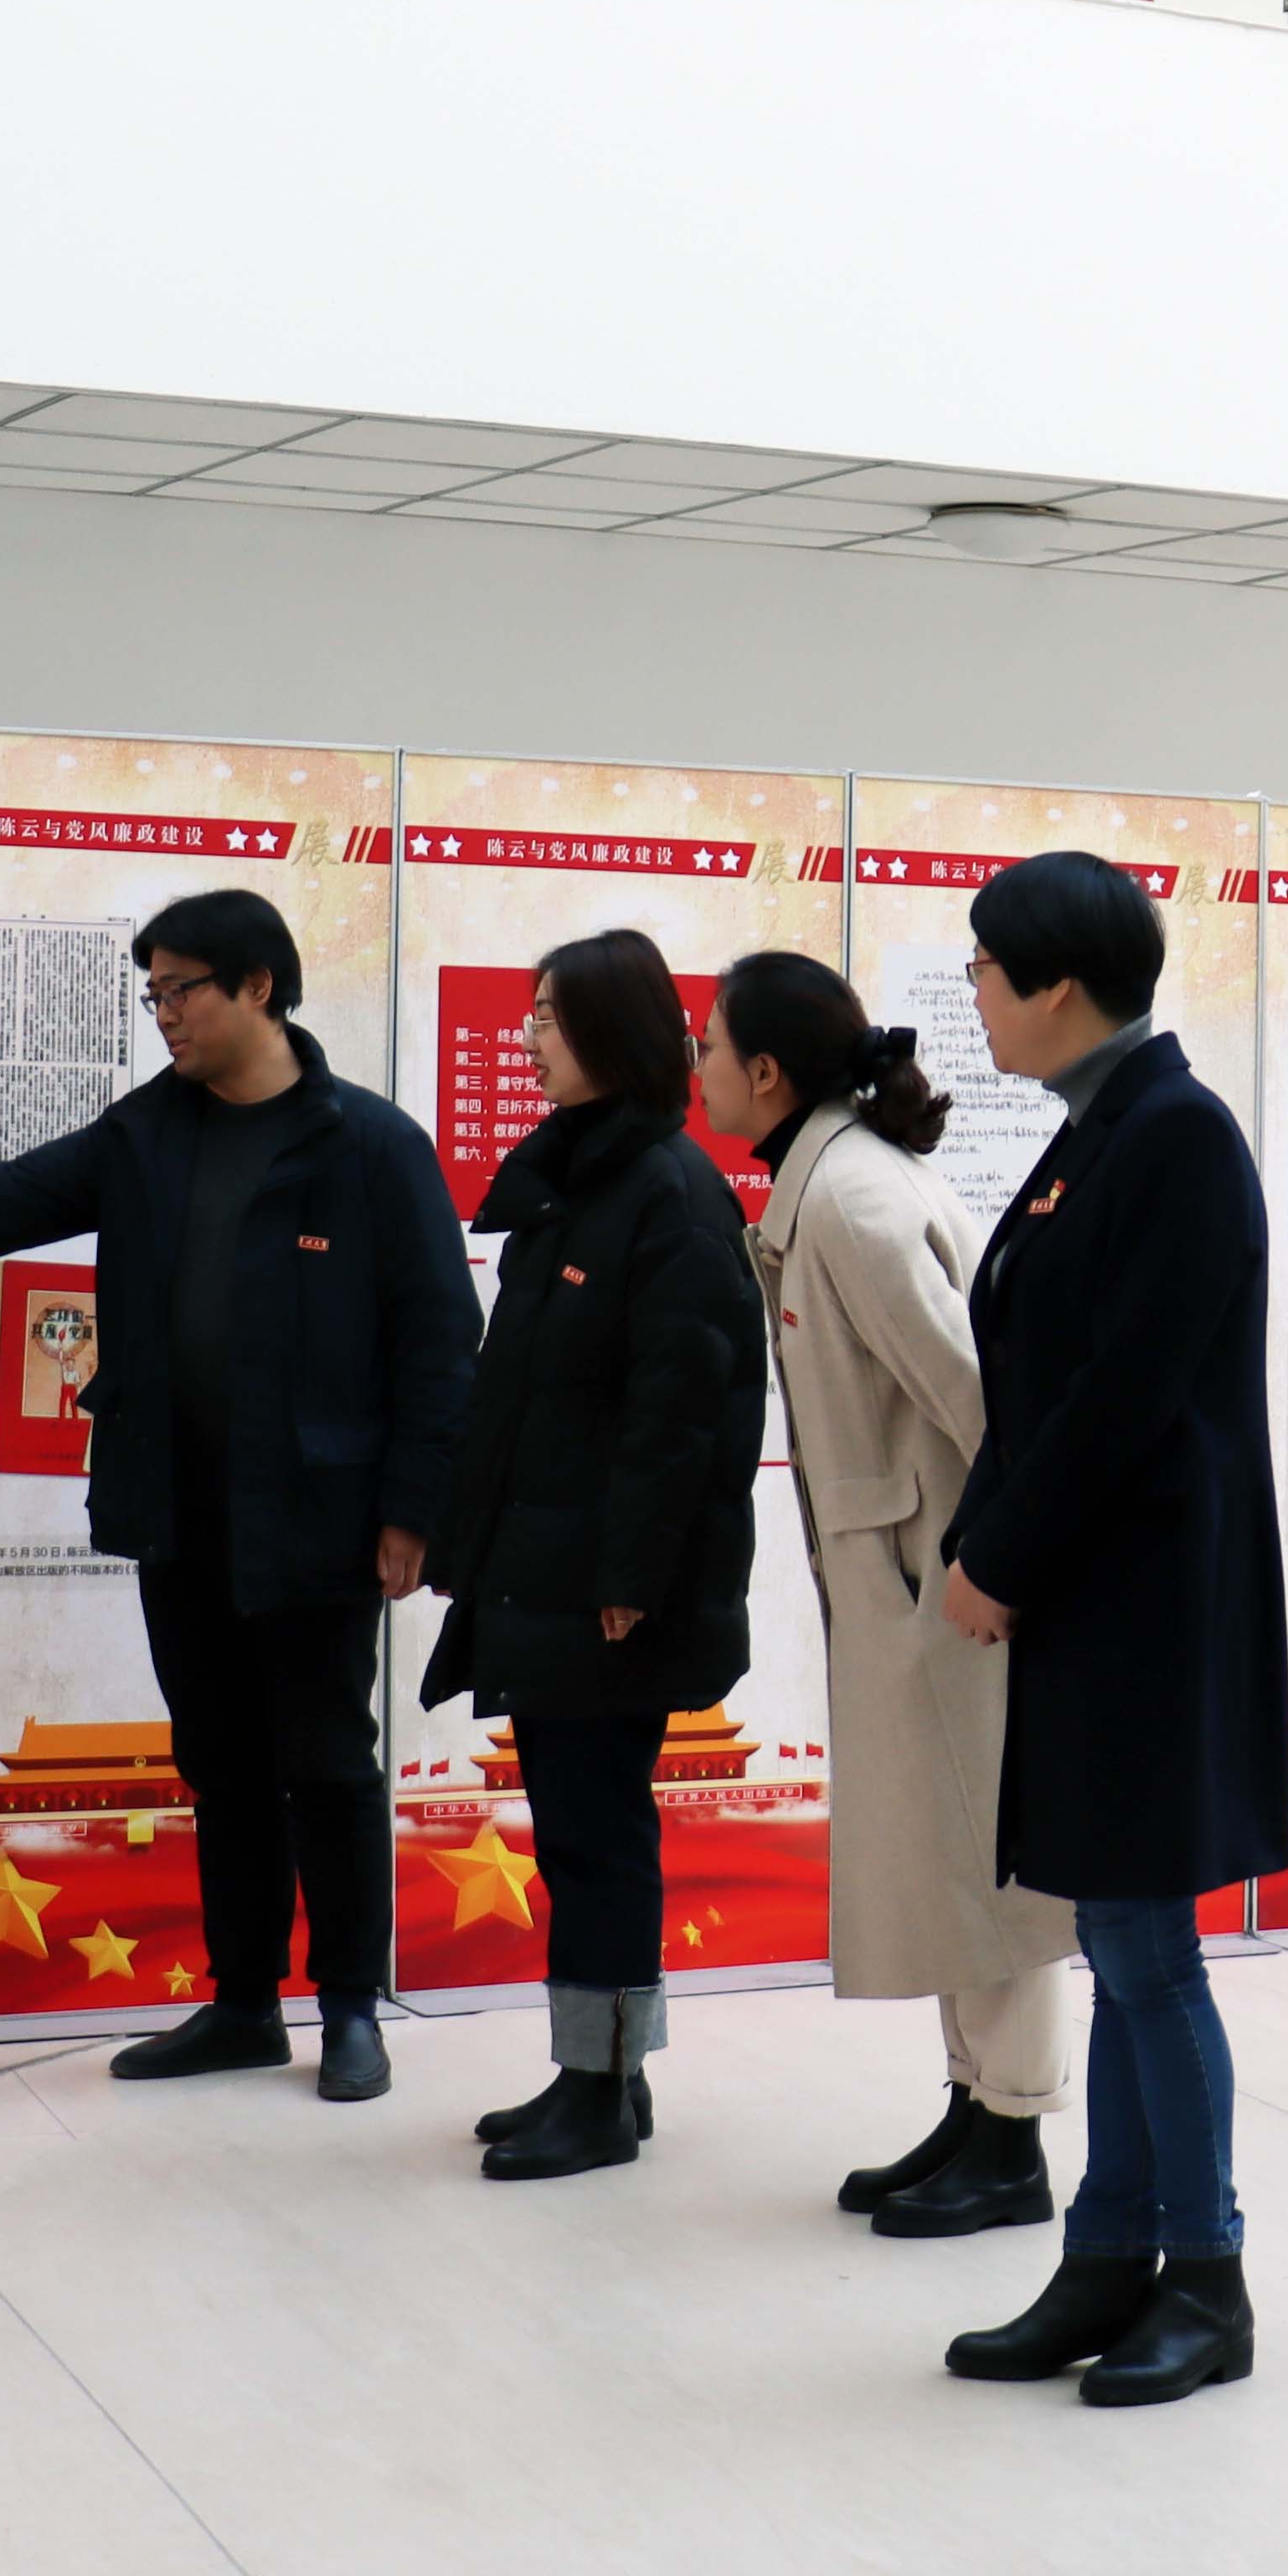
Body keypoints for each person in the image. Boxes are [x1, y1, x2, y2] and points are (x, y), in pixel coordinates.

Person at [0, 889, 472, 2103]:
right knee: (220, 1762)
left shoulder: (370, 1146)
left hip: (318, 1517)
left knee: (328, 1761)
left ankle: (348, 2009)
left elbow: (440, 1341)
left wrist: (412, 1511)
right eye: (152, 992)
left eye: (183, 990)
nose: (162, 1013)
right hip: (177, 1505)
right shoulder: (148, 1132)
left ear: (259, 987)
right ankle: (242, 2006)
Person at [935, 855, 1288, 2407]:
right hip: (1093, 1591)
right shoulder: (1099, 1130)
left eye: (984, 968)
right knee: (1119, 1941)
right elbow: (1036, 1380)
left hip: (1151, 1603)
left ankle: (1203, 2278)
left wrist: (1001, 1556)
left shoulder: (1174, 1136)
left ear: (1057, 983)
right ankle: (1106, 2258)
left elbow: (1126, 1396)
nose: (972, 994)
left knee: (1149, 1951)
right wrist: (986, 1544)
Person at [699, 950, 1073, 2236]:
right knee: (943, 1854)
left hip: (944, 1587)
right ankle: (976, 2109)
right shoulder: (834, 1184)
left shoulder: (851, 1202)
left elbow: (981, 1404)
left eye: (710, 1046)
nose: (698, 1069)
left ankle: (1013, 2136)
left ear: (765, 1072)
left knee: (985, 1867)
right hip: (906, 1578)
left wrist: (992, 1569)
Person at [417, 931, 767, 2181]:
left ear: (611, 1034)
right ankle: (601, 2072)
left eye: (552, 1017)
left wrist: (630, 1580)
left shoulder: (669, 1194)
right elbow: (523, 1397)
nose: (528, 1037)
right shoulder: (579, 1180)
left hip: (605, 1588)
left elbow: (682, 1419)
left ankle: (600, 2091)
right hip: (548, 1566)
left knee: (597, 1833)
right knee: (576, 1829)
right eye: (529, 1014)